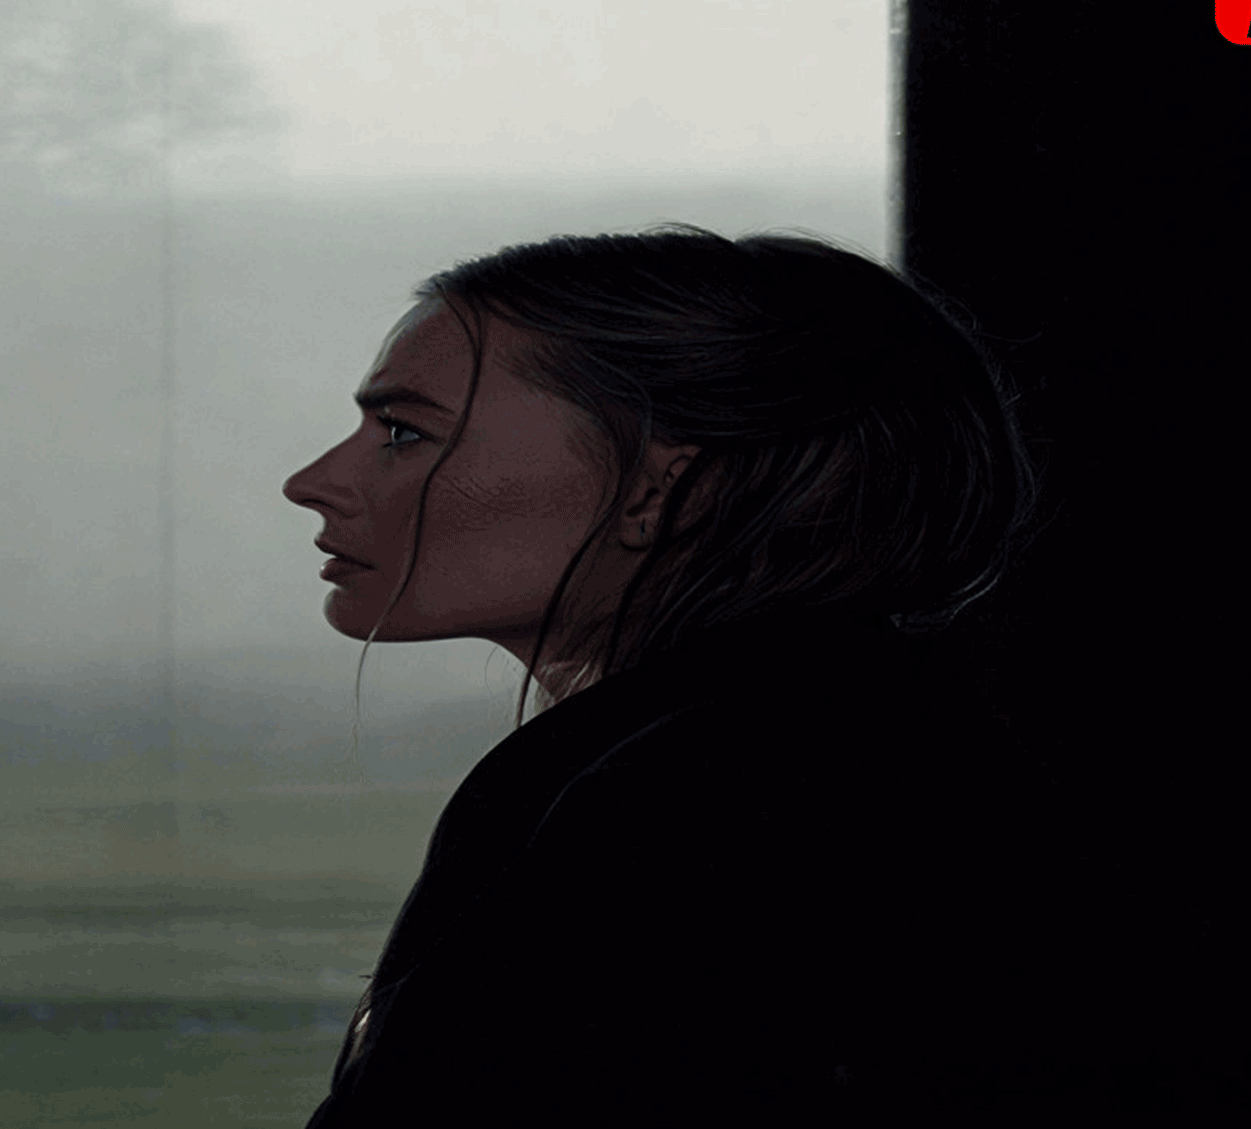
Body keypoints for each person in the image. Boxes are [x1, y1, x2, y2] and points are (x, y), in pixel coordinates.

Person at [281, 227, 1068, 1126]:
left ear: (660, 492)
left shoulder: (684, 805)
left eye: (403, 432)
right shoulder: (872, 741)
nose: (313, 482)